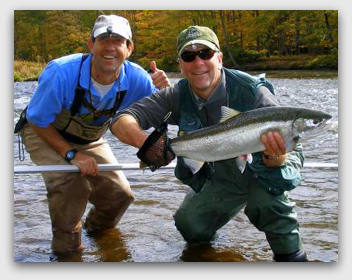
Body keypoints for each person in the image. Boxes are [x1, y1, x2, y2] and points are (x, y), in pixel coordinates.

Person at [111, 25, 308, 262]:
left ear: (220, 58)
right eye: (189, 56)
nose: (198, 62)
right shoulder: (176, 95)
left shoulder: (252, 90)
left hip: (263, 172)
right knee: (189, 224)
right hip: (221, 176)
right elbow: (121, 120)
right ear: (180, 64)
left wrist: (277, 158)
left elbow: (293, 153)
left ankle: (293, 259)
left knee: (268, 205)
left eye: (205, 53)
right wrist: (149, 143)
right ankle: (211, 255)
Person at [17, 14, 170, 255]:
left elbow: (163, 116)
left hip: (90, 138)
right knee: (72, 185)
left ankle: (98, 236)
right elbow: (38, 120)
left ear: (129, 48)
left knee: (121, 195)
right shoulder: (61, 71)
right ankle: (68, 251)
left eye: (118, 41)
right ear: (91, 45)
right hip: (44, 131)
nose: (110, 47)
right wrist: (71, 155)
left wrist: (166, 92)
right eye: (103, 39)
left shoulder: (138, 78)